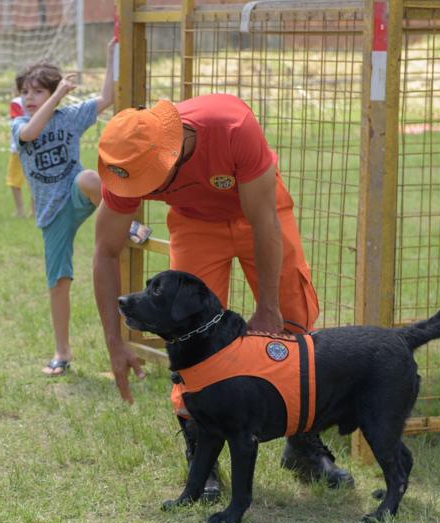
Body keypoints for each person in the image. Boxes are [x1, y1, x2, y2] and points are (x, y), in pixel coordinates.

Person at [92, 94, 354, 498]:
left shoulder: (231, 127)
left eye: (153, 184)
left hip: (260, 216)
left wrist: (268, 308)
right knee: (190, 338)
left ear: (173, 154)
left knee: (293, 322)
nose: (146, 194)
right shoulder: (128, 164)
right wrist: (115, 343)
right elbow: (106, 251)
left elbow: (264, 221)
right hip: (196, 225)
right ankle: (202, 458)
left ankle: (303, 444)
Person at [12, 38, 116, 377]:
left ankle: (125, 226)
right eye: (25, 92)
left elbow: (106, 98)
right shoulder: (18, 126)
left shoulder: (69, 117)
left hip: (75, 194)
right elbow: (29, 133)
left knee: (87, 177)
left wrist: (112, 54)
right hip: (51, 213)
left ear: (53, 93)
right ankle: (62, 351)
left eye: (36, 92)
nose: (29, 98)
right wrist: (56, 95)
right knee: (58, 282)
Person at [6, 92, 28, 218]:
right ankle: (25, 210)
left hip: (19, 149)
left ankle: (22, 210)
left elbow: (17, 121)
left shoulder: (16, 102)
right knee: (17, 181)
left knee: (14, 181)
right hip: (21, 149)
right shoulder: (42, 100)